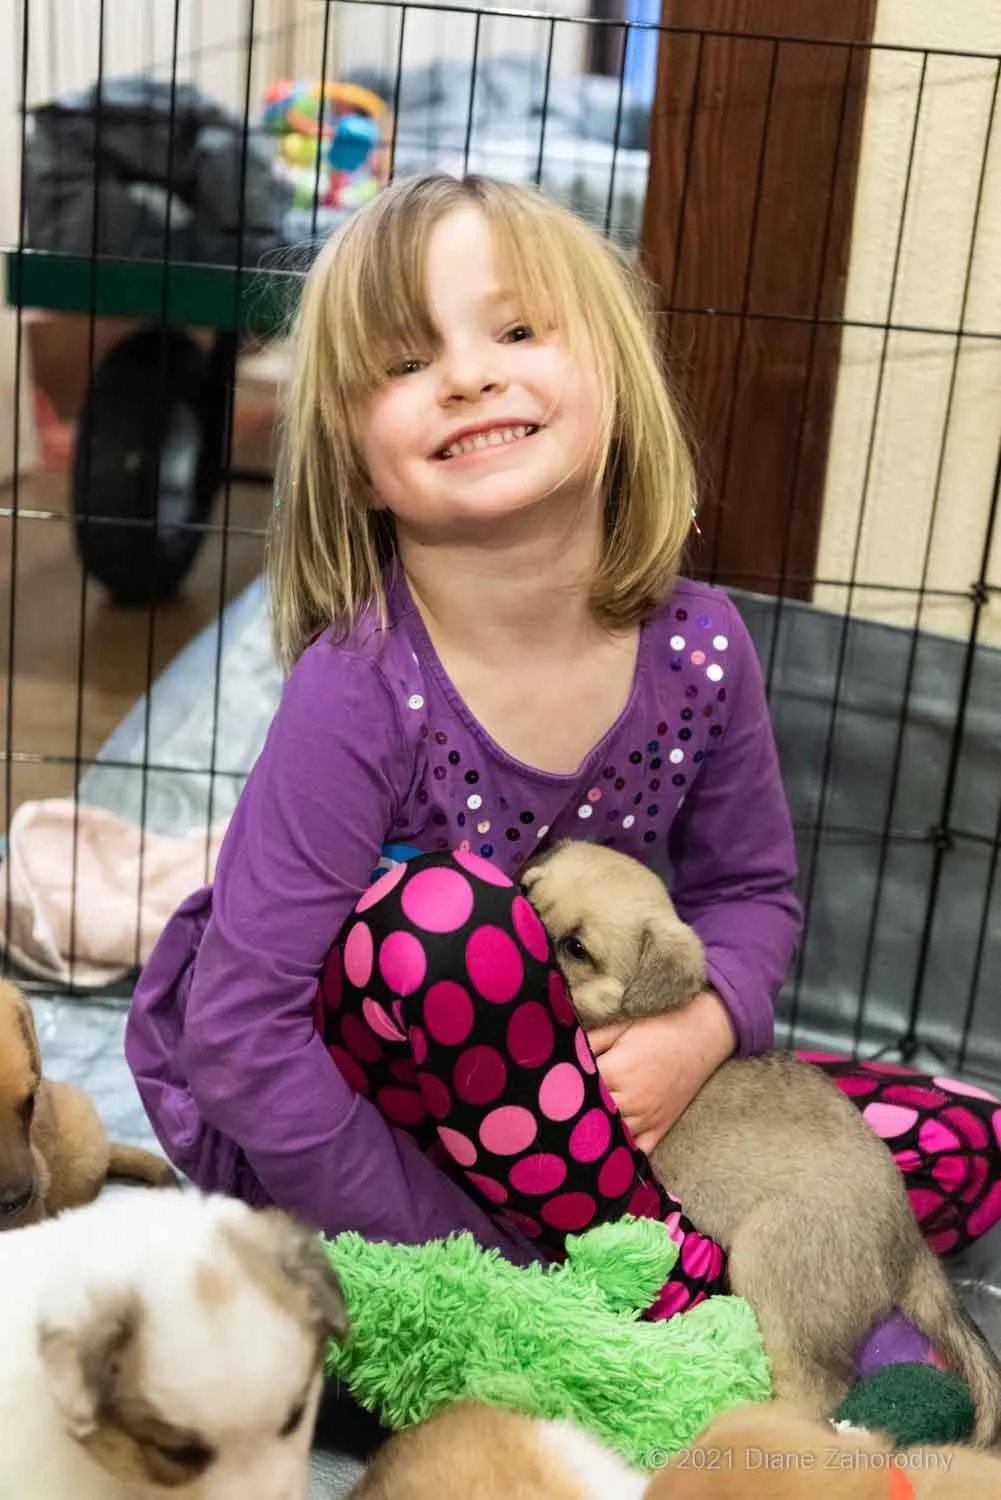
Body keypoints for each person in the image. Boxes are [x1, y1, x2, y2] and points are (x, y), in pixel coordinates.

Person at [125, 171, 803, 1317]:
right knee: (450, 923)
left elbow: (753, 891)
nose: (467, 373)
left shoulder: (702, 649)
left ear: (617, 381)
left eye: (519, 328)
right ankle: (650, 1299)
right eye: (402, 362)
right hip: (366, 1156)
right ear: (352, 454)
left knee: (955, 1143)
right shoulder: (358, 689)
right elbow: (243, 1038)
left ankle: (651, 1272)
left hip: (596, 1117)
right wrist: (469, 1276)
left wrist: (701, 1026)